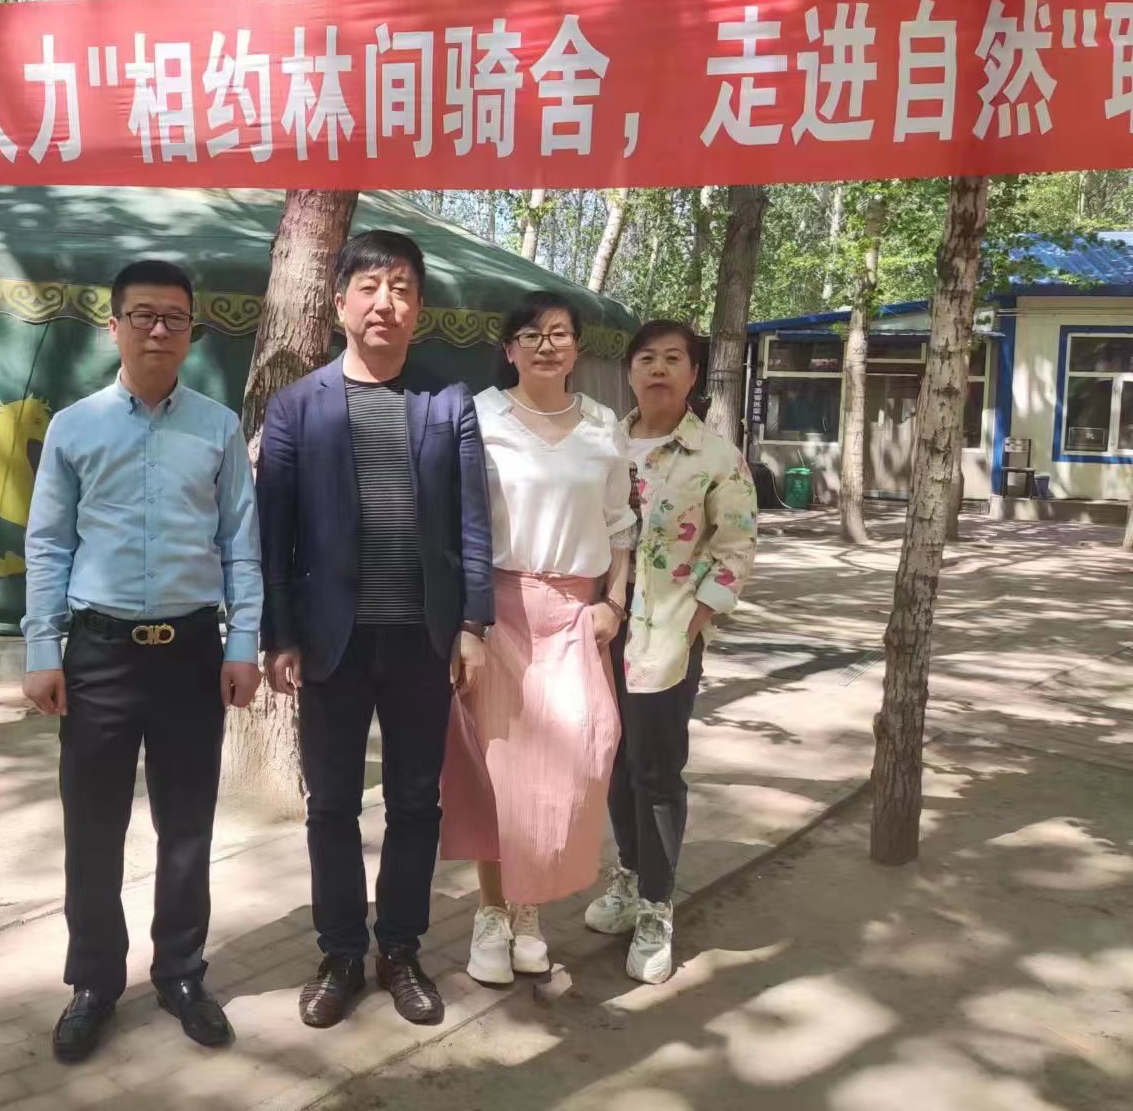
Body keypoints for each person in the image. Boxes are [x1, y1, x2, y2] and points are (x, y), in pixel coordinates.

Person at [22, 259, 263, 1063]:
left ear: (192, 331)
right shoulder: (74, 427)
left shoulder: (218, 429)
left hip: (191, 652)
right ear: (114, 326)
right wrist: (42, 649)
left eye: (175, 318)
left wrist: (242, 644)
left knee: (186, 826)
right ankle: (94, 982)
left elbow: (241, 545)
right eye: (143, 315)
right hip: (98, 654)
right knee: (93, 829)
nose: (159, 330)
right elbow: (48, 543)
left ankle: (181, 974)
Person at [257, 229, 494, 1030]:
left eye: (401, 289)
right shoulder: (297, 407)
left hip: (423, 638)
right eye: (369, 287)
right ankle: (339, 953)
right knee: (330, 803)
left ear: (418, 309)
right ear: (339, 304)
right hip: (333, 641)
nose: (384, 302)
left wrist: (472, 623)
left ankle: (400, 949)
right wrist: (280, 635)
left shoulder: (447, 402)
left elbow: (472, 523)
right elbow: (275, 537)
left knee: (416, 801)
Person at [439, 291, 635, 986]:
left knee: (578, 761)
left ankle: (531, 912)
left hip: (576, 616)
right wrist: (465, 623)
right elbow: (457, 521)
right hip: (498, 611)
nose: (546, 345)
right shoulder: (480, 415)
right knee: (499, 774)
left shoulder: (603, 425)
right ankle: (494, 914)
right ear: (509, 349)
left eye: (559, 333)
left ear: (578, 347)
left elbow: (620, 526)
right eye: (531, 334)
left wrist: (615, 602)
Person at [582, 320, 758, 984]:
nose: (658, 369)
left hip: (667, 635)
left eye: (673, 359)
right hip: (597, 629)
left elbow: (735, 549)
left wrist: (694, 622)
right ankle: (629, 877)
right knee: (613, 762)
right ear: (629, 370)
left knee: (655, 772)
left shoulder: (716, 457)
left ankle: (657, 908)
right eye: (647, 358)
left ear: (693, 374)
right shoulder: (601, 443)